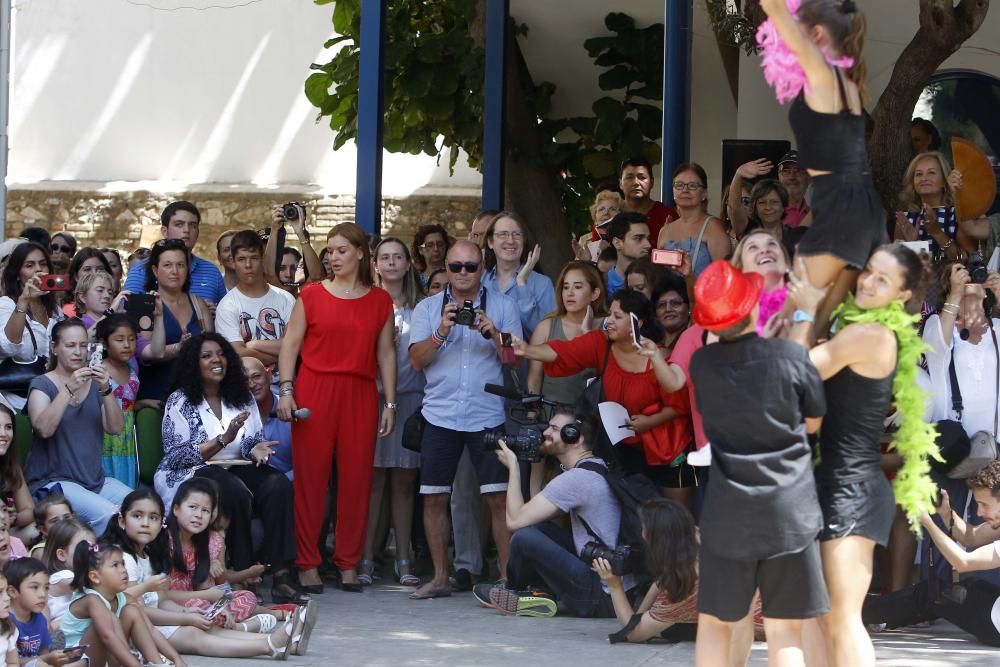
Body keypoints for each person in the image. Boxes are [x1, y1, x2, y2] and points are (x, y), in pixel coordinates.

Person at [786, 244, 937, 667]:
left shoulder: (870, 335)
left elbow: (795, 371)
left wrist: (805, 311)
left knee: (842, 617)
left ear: (903, 296)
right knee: (816, 615)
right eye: (869, 271)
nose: (868, 282)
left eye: (882, 280)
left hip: (853, 489)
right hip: (827, 482)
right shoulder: (854, 327)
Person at [688, 260, 829, 667]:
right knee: (785, 629)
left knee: (715, 623)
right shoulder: (789, 357)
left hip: (728, 511)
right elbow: (813, 422)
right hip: (790, 509)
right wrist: (804, 314)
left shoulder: (703, 365)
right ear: (752, 309)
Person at [277, 222, 397, 593]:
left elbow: (386, 352)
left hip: (360, 391)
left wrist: (390, 401)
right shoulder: (311, 295)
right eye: (329, 251)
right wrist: (286, 390)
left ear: (361, 253)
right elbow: (290, 346)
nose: (333, 257)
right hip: (315, 388)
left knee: (357, 480)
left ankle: (349, 561)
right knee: (311, 479)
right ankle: (307, 563)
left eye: (341, 250)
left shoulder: (380, 301)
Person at [759, 0, 885, 335]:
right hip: (854, 204)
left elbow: (773, 7)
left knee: (791, 323)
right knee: (810, 326)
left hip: (842, 203)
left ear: (815, 33)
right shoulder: (846, 82)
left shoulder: (823, 73)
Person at [407, 240, 522, 600]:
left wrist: (494, 334)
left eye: (469, 267)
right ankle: (441, 577)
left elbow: (515, 359)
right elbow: (416, 360)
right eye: (455, 267)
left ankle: (507, 579)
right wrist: (442, 331)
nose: (462, 274)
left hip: (486, 413)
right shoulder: (428, 308)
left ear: (482, 266)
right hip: (440, 414)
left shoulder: (503, 305)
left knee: (498, 499)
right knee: (433, 498)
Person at [153, 333, 302, 603]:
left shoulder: (240, 396)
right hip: (189, 473)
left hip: (234, 467)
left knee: (277, 484)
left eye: (221, 354)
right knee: (231, 490)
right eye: (207, 355)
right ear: (193, 364)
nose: (216, 360)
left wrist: (255, 448)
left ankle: (281, 575)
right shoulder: (181, 400)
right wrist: (223, 439)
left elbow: (250, 440)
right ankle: (244, 574)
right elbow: (177, 455)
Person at [101, 489, 309, 658]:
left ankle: (282, 644)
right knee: (195, 635)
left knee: (205, 627)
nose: (145, 523)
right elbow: (134, 610)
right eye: (137, 516)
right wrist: (183, 618)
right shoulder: (123, 559)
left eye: (153, 517)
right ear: (121, 521)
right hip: (130, 629)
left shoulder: (148, 555)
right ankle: (268, 646)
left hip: (155, 619)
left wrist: (185, 614)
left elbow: (160, 600)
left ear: (160, 524)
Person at [514, 290, 687, 484]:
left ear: (636, 324)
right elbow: (564, 352)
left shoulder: (659, 356)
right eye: (609, 314)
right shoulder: (601, 343)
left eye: (617, 316)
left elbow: (681, 405)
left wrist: (651, 422)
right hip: (621, 448)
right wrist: (528, 350)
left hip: (669, 448)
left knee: (674, 509)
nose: (609, 320)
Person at [473, 407, 629, 618]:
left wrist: (513, 467)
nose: (546, 433)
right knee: (540, 529)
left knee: (524, 537)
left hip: (600, 595)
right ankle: (537, 593)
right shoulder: (596, 466)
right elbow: (536, 510)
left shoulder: (576, 480)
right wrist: (537, 462)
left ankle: (514, 591)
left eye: (554, 428)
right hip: (614, 583)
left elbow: (514, 520)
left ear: (574, 436)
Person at [595, 497, 764, 660]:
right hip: (777, 608)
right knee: (673, 628)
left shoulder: (686, 582)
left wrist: (614, 584)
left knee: (671, 629)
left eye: (644, 529)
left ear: (651, 537)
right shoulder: (705, 536)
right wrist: (640, 614)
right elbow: (664, 581)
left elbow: (633, 634)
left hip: (764, 628)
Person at [862, 461, 1000, 647]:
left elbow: (963, 562)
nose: (979, 512)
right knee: (965, 587)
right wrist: (945, 512)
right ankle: (880, 615)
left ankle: (857, 611)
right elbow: (971, 537)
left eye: (984, 504)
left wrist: (927, 522)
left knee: (930, 593)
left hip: (995, 627)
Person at [357, 238, 426, 587]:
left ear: (408, 263)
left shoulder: (422, 306)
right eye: (385, 257)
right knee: (373, 482)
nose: (392, 263)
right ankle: (366, 557)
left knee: (403, 482)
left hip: (410, 397)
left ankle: (403, 558)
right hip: (373, 397)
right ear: (375, 263)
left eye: (398, 257)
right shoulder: (367, 302)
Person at [25, 319, 128, 535]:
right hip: (53, 484)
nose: (78, 352)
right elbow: (43, 429)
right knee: (109, 516)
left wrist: (106, 389)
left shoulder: (96, 384)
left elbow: (116, 428)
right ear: (55, 348)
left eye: (83, 345)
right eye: (70, 345)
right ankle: (100, 564)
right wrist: (67, 390)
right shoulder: (42, 384)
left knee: (139, 506)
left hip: (95, 481)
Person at [62, 539, 185, 667]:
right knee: (111, 619)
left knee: (132, 611)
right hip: (78, 661)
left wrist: (177, 659)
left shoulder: (122, 597)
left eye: (123, 564)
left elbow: (151, 631)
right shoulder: (91, 600)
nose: (123, 570)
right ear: (95, 577)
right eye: (115, 565)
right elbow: (107, 637)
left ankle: (158, 664)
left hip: (108, 659)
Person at [135, 240, 214, 406]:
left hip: (197, 398)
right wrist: (179, 348)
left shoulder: (199, 305)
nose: (175, 271)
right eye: (168, 265)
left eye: (181, 265)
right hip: (156, 399)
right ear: (155, 271)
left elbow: (212, 348)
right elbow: (146, 353)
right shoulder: (146, 305)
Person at [526, 260, 607, 406]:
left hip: (591, 421)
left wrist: (588, 334)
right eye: (565, 287)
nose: (569, 293)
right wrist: (533, 415)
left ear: (594, 293)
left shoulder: (607, 326)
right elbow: (534, 379)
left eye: (577, 287)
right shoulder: (545, 327)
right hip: (551, 417)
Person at [214, 230, 294, 371]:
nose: (248, 265)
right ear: (233, 261)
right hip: (246, 387)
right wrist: (282, 354)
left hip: (284, 385)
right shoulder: (227, 305)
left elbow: (295, 344)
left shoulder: (286, 299)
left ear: (263, 258)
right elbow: (237, 353)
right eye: (241, 259)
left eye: (254, 258)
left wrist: (254, 344)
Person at [122, 201, 227, 306]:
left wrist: (215, 313)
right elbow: (124, 314)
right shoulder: (140, 271)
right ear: (164, 231)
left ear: (198, 232)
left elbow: (226, 313)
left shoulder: (212, 272)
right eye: (179, 224)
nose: (186, 230)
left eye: (192, 225)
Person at [894, 151, 989, 265]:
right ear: (913, 182)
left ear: (944, 181)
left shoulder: (958, 215)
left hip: (954, 281)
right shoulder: (907, 219)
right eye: (918, 174)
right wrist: (914, 244)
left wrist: (937, 233)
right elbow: (899, 267)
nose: (924, 178)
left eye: (931, 173)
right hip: (921, 282)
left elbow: (965, 260)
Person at [1, 242, 62, 411]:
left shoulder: (55, 310)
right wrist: (24, 300)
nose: (38, 270)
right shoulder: (6, 304)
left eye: (43, 264)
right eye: (29, 265)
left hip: (51, 400)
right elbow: (8, 346)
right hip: (15, 403)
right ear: (18, 274)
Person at [481, 211, 556, 338]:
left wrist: (522, 285)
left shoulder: (542, 284)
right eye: (503, 235)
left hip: (523, 357)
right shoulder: (481, 279)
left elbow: (548, 337)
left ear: (524, 241)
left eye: (516, 235)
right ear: (490, 242)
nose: (510, 241)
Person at [656, 163, 730, 278]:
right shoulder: (665, 230)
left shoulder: (713, 227)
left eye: (692, 186)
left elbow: (724, 277)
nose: (685, 190)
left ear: (704, 193)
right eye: (679, 185)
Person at [6, 557, 72, 666]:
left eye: (46, 588)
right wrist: (46, 659)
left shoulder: (40, 618)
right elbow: (11, 662)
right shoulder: (6, 621)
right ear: (13, 592)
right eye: (34, 587)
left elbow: (44, 652)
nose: (43, 594)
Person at [730, 228, 792, 335]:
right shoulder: (729, 316)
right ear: (741, 270)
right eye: (753, 247)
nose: (764, 250)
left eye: (772, 244)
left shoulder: (805, 302)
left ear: (787, 264)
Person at [242, 358, 292, 479]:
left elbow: (310, 464)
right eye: (243, 380)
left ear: (269, 375)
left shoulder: (291, 411)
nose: (251, 384)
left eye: (257, 376)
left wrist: (282, 484)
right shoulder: (234, 418)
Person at [264, 204, 323, 297]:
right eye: (282, 268)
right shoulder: (275, 292)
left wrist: (300, 232)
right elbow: (268, 274)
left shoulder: (306, 293)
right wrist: (275, 229)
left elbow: (317, 276)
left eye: (294, 268)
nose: (288, 274)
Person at [619, 157, 677, 244]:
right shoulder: (608, 215)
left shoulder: (667, 216)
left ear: (652, 182)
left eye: (642, 177)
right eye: (629, 177)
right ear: (620, 183)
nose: (636, 182)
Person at [0, 405, 36, 545]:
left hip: (5, 531)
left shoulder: (10, 464)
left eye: (8, 427)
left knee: (42, 530)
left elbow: (30, 510)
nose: (3, 433)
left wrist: (14, 518)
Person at [605, 213, 652, 297]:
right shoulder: (602, 285)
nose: (648, 245)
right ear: (617, 243)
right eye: (638, 238)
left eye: (648, 238)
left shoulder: (657, 280)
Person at [651, 272, 690, 356]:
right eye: (661, 305)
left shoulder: (693, 338)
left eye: (675, 303)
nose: (668, 309)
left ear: (689, 307)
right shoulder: (652, 342)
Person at [778, 150, 812, 228]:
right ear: (779, 177)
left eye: (798, 171)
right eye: (786, 171)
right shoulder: (768, 212)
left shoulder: (818, 216)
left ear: (809, 178)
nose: (792, 176)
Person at [411, 224, 451, 289]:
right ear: (420, 249)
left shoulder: (453, 276)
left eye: (440, 244)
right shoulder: (415, 281)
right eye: (430, 245)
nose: (436, 249)